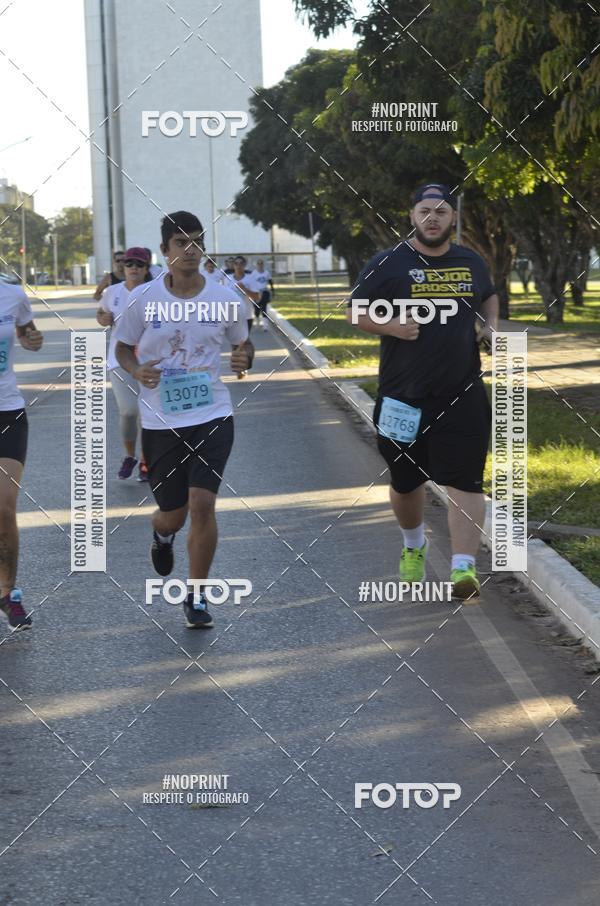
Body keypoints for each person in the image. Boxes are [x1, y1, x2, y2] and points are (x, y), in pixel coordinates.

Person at [349, 183, 498, 600]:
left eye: (442, 211)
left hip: (463, 391)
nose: (433, 218)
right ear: (412, 216)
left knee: (467, 480)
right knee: (405, 480)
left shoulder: (470, 261)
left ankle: (463, 569)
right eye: (425, 210)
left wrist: (490, 326)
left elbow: (489, 296)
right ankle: (414, 544)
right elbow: (355, 311)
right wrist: (392, 326)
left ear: (453, 219)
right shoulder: (389, 263)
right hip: (402, 395)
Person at [114, 211, 254, 629]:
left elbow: (243, 347)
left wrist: (244, 359)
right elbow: (121, 349)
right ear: (165, 250)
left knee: (203, 504)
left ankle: (196, 596)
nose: (190, 250)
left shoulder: (226, 299)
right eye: (181, 243)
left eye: (197, 242)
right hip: (160, 422)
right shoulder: (144, 299)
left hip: (212, 413)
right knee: (172, 513)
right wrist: (137, 371)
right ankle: (162, 533)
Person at [0, 281, 44, 630]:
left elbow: (27, 330)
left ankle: (7, 592)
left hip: (7, 411)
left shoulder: (12, 293)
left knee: (4, 507)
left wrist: (32, 339)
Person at [97, 247, 150, 481]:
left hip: (150, 360)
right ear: (123, 267)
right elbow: (101, 313)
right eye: (129, 264)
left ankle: (147, 461)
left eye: (139, 265)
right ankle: (130, 456)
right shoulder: (111, 292)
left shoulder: (156, 292)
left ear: (147, 268)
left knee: (148, 413)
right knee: (129, 411)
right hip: (119, 359)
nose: (133, 268)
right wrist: (102, 318)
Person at [226, 256, 261, 333]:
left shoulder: (250, 278)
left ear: (245, 265)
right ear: (233, 265)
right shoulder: (227, 279)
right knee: (235, 343)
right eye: (236, 263)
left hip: (246, 316)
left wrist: (244, 289)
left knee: (244, 341)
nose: (238, 266)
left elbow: (257, 297)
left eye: (241, 263)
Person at [251, 258, 274, 330]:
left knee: (264, 308)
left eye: (261, 263)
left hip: (264, 292)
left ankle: (265, 326)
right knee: (256, 309)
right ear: (256, 265)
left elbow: (270, 281)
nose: (260, 265)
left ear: (263, 264)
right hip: (256, 293)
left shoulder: (266, 273)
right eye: (259, 263)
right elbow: (251, 283)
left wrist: (273, 291)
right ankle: (257, 322)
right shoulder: (254, 273)